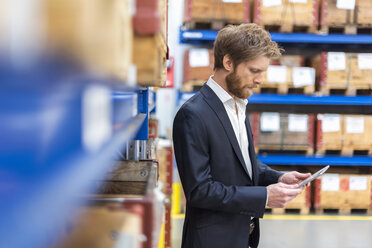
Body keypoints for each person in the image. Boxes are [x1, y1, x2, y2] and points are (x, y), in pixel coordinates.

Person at [172, 23, 311, 248]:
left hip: (243, 236)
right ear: (228, 62)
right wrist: (264, 197)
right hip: (212, 241)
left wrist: (277, 177)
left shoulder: (237, 105)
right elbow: (200, 191)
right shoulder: (193, 115)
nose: (260, 80)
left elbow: (242, 163)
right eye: (254, 71)